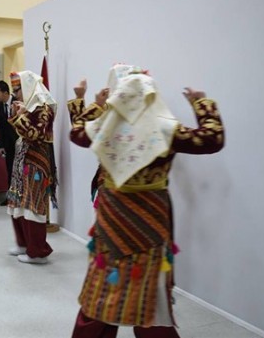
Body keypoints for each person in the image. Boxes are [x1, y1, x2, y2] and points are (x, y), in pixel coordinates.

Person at [68, 64, 225, 338]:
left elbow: (77, 131)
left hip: (111, 223)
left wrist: (95, 104)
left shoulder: (104, 128)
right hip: (150, 225)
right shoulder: (166, 129)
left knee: (102, 294)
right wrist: (201, 102)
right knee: (150, 299)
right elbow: (212, 139)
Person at [6, 71, 57, 264]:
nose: (15, 95)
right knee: (16, 204)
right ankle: (23, 244)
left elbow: (35, 134)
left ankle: (37, 252)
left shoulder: (44, 108)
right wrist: (18, 115)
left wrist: (20, 117)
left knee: (32, 207)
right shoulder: (28, 106)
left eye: (17, 90)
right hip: (22, 162)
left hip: (35, 164)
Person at [0, 80, 19, 206]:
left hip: (19, 142)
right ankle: (11, 197)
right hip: (8, 144)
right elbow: (0, 127)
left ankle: (20, 197)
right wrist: (1, 145)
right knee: (10, 170)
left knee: (19, 170)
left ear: (5, 93)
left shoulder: (18, 102)